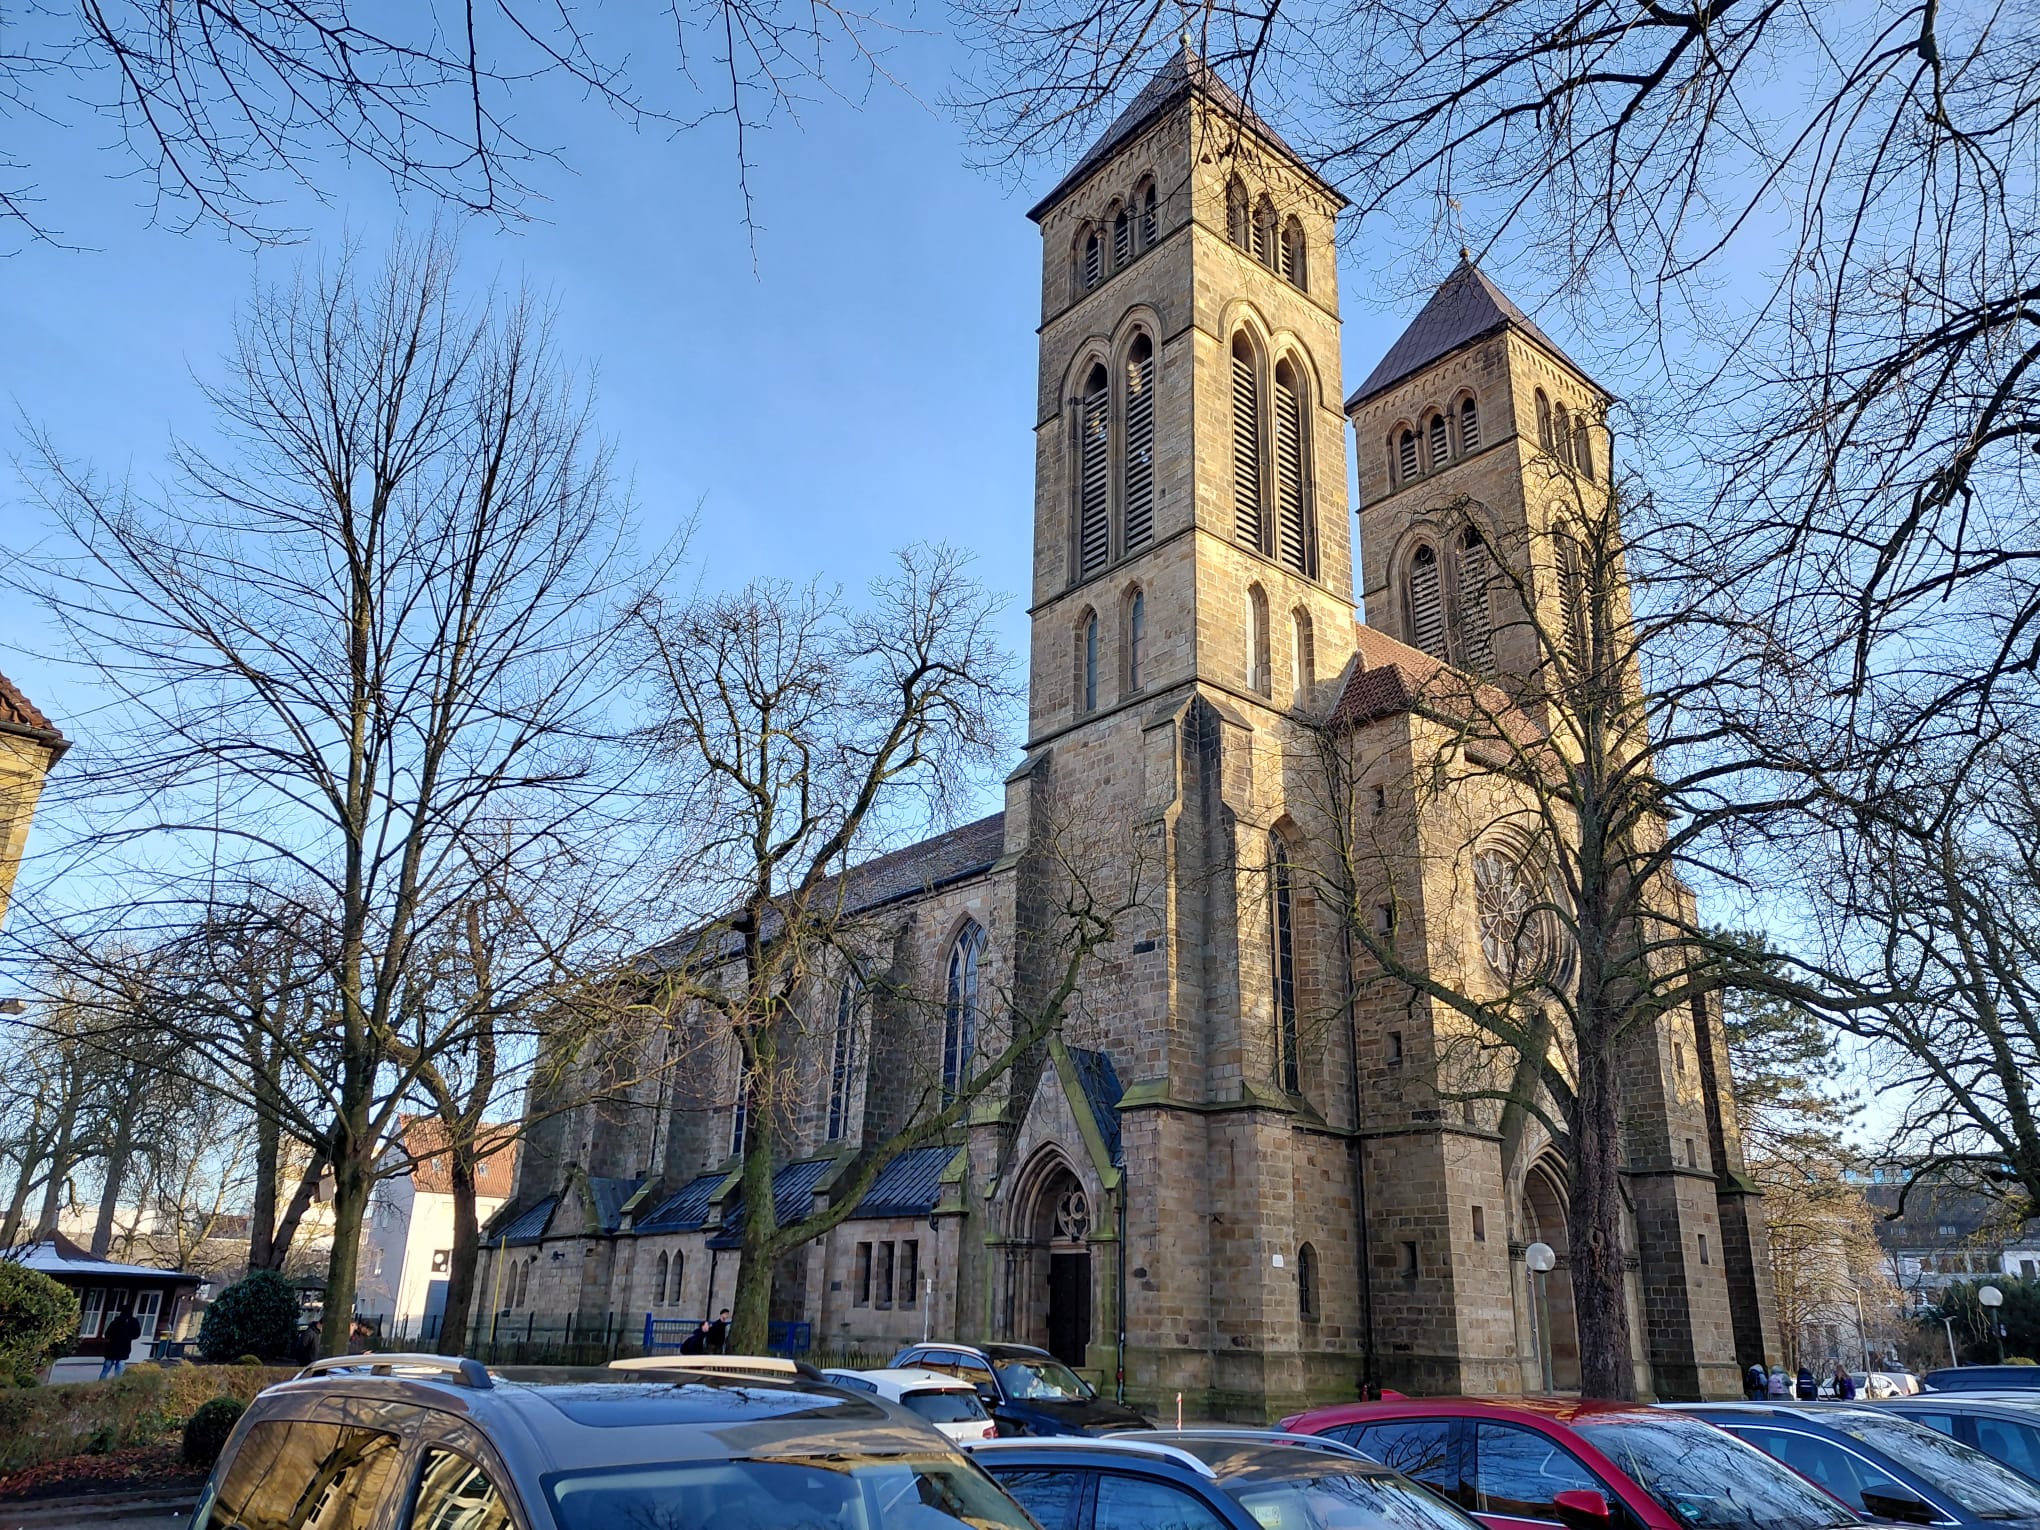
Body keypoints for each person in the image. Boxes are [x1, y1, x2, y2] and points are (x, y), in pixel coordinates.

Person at [99, 1302, 143, 1380]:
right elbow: (137, 1333)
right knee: (119, 1369)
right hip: (124, 1347)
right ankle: (116, 1385)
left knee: (106, 1369)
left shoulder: (115, 1322)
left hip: (112, 1347)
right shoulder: (133, 1322)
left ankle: (100, 1384)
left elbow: (107, 1334)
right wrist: (129, 1337)